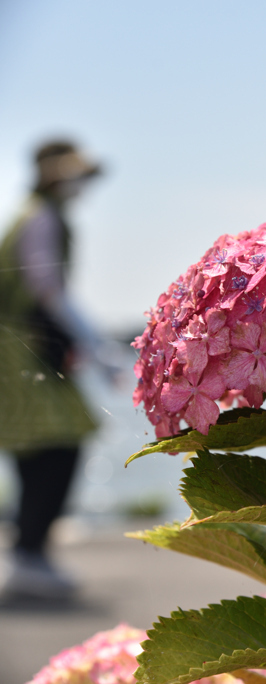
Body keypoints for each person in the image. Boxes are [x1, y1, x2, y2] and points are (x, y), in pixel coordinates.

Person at [0, 139, 116, 601]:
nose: (81, 185)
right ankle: (28, 555)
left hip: (25, 346)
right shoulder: (41, 218)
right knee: (56, 443)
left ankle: (30, 554)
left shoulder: (34, 213)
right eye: (74, 175)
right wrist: (96, 345)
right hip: (20, 348)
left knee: (37, 449)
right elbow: (49, 291)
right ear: (54, 174)